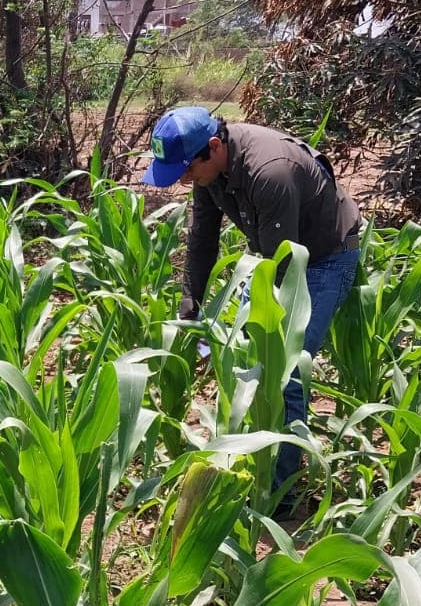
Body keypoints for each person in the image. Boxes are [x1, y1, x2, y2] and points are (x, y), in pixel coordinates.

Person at [142, 106, 363, 513]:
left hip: (321, 259)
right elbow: (202, 239)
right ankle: (250, 459)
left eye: (187, 170)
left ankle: (279, 494)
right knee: (242, 362)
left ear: (213, 147)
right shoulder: (211, 168)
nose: (185, 180)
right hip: (273, 253)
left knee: (285, 371)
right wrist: (189, 311)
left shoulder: (270, 171)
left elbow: (284, 269)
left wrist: (257, 332)